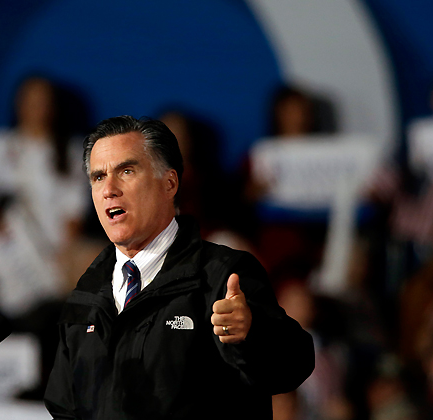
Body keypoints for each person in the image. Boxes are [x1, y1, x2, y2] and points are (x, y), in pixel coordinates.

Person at [44, 116, 315, 419]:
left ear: (169, 183)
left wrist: (250, 334)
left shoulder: (223, 275)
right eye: (97, 177)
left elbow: (295, 365)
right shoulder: (87, 294)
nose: (109, 189)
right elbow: (64, 407)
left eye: (127, 171)